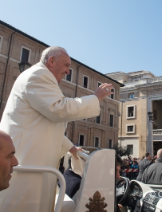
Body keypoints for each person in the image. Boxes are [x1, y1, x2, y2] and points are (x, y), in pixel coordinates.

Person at [0, 46, 113, 212]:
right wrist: (95, 97)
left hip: (33, 163)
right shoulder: (37, 75)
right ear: (51, 61)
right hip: (28, 165)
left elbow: (48, 125)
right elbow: (59, 109)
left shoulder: (40, 77)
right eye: (66, 65)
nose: (68, 71)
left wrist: (71, 148)